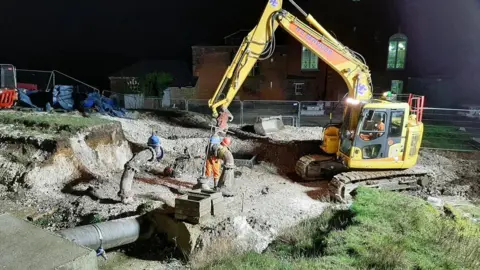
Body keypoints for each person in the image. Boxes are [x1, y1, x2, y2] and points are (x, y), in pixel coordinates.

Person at [118, 133, 164, 204]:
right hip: (131, 166)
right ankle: (125, 197)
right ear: (158, 145)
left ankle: (126, 195)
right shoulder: (149, 153)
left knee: (129, 171)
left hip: (131, 166)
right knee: (129, 171)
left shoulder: (147, 152)